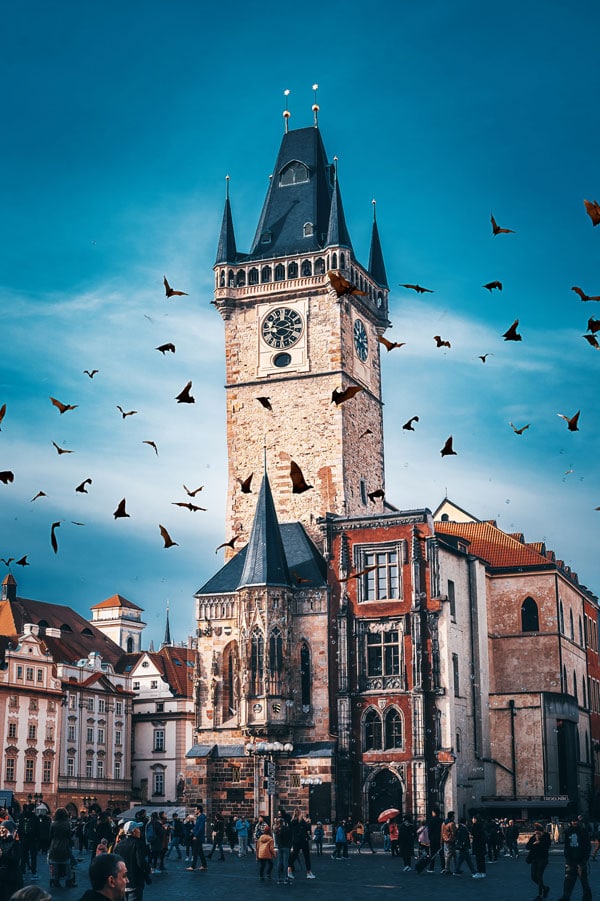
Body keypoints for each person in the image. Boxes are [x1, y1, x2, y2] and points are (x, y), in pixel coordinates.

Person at [557, 815, 592, 901]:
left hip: (581, 859)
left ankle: (587, 897)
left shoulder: (583, 831)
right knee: (568, 880)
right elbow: (567, 845)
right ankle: (566, 896)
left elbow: (587, 845)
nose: (574, 822)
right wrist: (567, 856)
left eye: (576, 821)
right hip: (571, 860)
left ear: (578, 821)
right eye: (573, 821)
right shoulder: (568, 831)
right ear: (571, 822)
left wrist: (585, 858)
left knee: (583, 880)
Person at [115, 822, 150, 901]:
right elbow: (141, 862)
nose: (140, 831)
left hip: (122, 882)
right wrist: (147, 869)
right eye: (138, 828)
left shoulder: (119, 844)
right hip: (134, 881)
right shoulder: (137, 844)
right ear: (133, 831)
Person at [48, 808, 75, 889]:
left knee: (55, 864)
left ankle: (56, 881)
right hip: (64, 844)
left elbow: (50, 835)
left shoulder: (53, 824)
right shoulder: (67, 824)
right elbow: (69, 835)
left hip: (55, 845)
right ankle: (68, 881)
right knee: (67, 863)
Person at [288, 808, 315, 879]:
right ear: (300, 813)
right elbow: (308, 828)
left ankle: (289, 870)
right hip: (303, 840)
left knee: (294, 855)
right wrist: (308, 822)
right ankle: (308, 872)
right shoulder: (301, 821)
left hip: (295, 841)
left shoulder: (292, 821)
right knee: (306, 857)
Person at [526, 822, 551, 900]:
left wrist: (540, 842)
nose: (536, 833)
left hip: (543, 859)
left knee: (539, 876)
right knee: (533, 877)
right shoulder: (533, 837)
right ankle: (545, 888)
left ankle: (539, 895)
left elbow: (547, 846)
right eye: (535, 831)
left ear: (541, 831)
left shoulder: (546, 836)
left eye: (537, 831)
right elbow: (527, 847)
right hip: (534, 859)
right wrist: (534, 843)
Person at [0, 821, 23, 901]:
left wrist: (2, 855)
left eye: (4, 829)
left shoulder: (15, 843)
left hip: (12, 877)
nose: (2, 832)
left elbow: (15, 860)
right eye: (1, 829)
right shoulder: (1, 841)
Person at [18, 805, 40, 881]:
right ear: (33, 809)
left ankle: (22, 873)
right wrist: (37, 840)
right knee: (33, 856)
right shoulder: (35, 817)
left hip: (24, 839)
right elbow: (38, 830)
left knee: (23, 856)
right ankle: (34, 873)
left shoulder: (21, 817)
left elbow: (19, 828)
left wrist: (21, 838)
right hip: (33, 840)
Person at [187, 806, 208, 871]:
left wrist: (196, 835)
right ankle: (204, 865)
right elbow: (197, 826)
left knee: (195, 851)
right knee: (200, 852)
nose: (194, 810)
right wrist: (193, 830)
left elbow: (201, 828)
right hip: (198, 836)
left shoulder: (201, 817)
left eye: (195, 809)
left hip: (198, 837)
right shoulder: (199, 817)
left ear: (199, 810)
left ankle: (193, 867)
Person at [273, 816, 292, 884]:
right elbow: (290, 838)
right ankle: (285, 878)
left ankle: (279, 878)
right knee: (285, 863)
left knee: (279, 862)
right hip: (286, 847)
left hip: (280, 847)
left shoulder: (277, 830)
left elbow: (276, 840)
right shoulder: (286, 828)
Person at [470, 814, 487, 879]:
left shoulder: (475, 825)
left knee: (478, 859)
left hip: (477, 844)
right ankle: (483, 872)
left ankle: (479, 872)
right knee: (482, 859)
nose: (472, 820)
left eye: (473, 819)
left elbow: (472, 833)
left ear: (475, 819)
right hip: (482, 844)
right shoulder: (482, 825)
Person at [441, 810, 458, 875]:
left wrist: (442, 841)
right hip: (451, 841)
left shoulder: (444, 823)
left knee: (451, 855)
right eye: (454, 816)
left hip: (445, 840)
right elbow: (454, 833)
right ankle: (448, 869)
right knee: (450, 855)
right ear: (452, 816)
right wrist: (453, 840)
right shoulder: (452, 824)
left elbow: (442, 833)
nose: (454, 817)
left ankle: (455, 868)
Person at [426, 808, 443, 872]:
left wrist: (429, 838)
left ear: (434, 812)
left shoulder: (431, 820)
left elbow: (429, 831)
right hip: (440, 839)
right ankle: (443, 867)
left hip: (433, 839)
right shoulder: (442, 820)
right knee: (441, 854)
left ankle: (431, 868)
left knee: (432, 854)